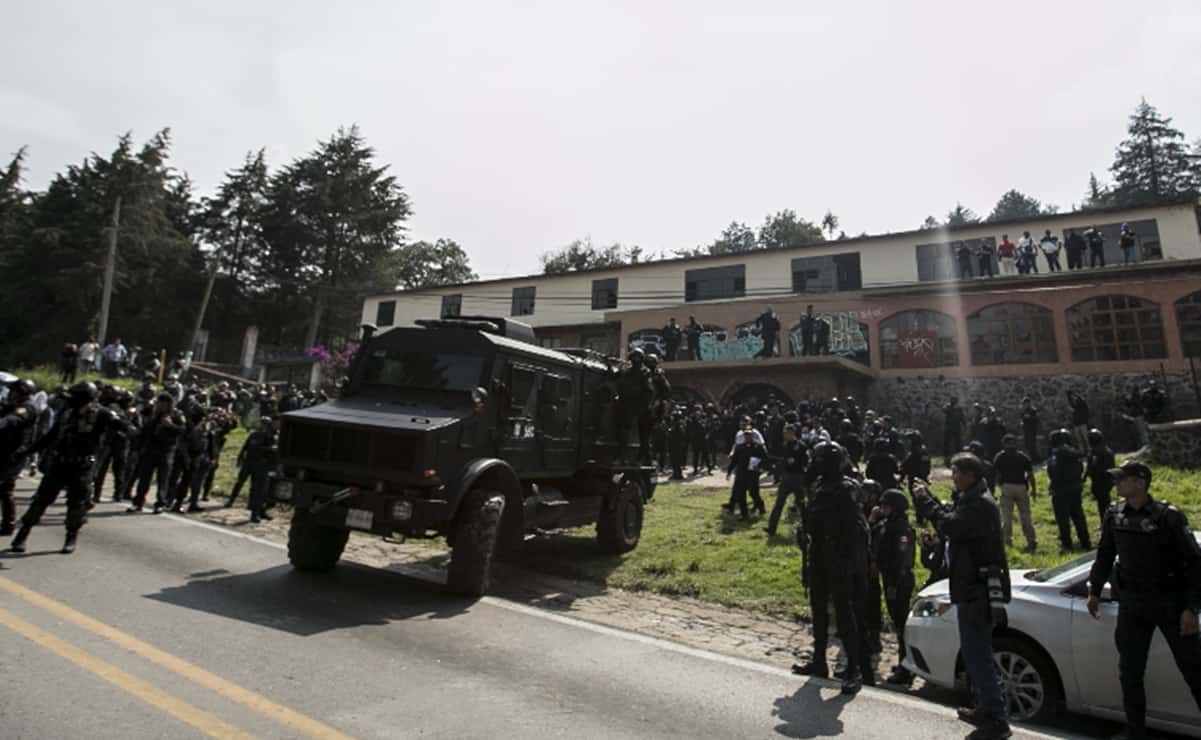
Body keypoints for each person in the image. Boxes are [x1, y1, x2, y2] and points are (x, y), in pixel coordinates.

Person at [1087, 460, 1201, 740]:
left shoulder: (1168, 516)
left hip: (1169, 603)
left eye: (1122, 479)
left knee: (1194, 671)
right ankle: (1135, 732)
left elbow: (1195, 563)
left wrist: (1192, 608)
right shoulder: (1114, 514)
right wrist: (1094, 590)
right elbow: (1105, 553)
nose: (1117, 484)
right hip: (1133, 604)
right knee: (1130, 672)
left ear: (1140, 483)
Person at [914, 455, 1011, 740]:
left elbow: (951, 525)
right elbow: (952, 517)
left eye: (955, 472)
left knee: (978, 654)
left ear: (969, 474)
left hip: (977, 590)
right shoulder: (971, 498)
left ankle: (997, 719)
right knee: (973, 653)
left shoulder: (980, 504)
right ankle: (985, 706)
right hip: (968, 586)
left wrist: (925, 501)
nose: (952, 476)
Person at [793, 441, 874, 695]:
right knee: (818, 609)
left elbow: (851, 529)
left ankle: (853, 669)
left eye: (816, 461)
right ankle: (819, 661)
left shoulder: (845, 489)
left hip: (841, 558)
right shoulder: (820, 487)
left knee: (844, 613)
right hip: (819, 556)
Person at [9, 382, 128, 554]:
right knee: (41, 500)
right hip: (60, 463)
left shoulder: (101, 413)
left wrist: (123, 428)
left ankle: (71, 537)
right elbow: (50, 436)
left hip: (82, 466)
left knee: (76, 505)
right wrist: (28, 451)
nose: (69, 400)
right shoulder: (67, 413)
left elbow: (125, 427)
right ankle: (22, 536)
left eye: (74, 397)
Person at [876, 489, 917, 686]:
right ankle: (904, 662)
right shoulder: (888, 525)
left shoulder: (901, 529)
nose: (882, 509)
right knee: (897, 622)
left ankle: (906, 667)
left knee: (902, 625)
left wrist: (894, 583)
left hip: (898, 580)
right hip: (890, 578)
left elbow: (902, 559)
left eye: (886, 506)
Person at [127, 393, 186, 513]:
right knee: (144, 478)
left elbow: (182, 431)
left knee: (162, 479)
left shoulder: (176, 415)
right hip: (150, 449)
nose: (161, 405)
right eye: (159, 402)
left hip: (166, 451)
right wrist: (139, 447)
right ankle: (138, 502)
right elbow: (145, 431)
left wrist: (171, 426)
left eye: (164, 403)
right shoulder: (154, 414)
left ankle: (160, 503)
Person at [0, 379, 40, 535]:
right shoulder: (13, 406)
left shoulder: (27, 408)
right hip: (7, 453)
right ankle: (8, 525)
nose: (10, 394)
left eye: (13, 391)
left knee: (5, 488)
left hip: (14, 454)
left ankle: (8, 524)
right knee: (5, 490)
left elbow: (11, 421)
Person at [1047, 428, 1090, 552]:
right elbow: (1080, 467)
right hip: (1075, 487)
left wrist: (1053, 486)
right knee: (1078, 515)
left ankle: (1067, 544)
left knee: (1062, 519)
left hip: (1061, 489)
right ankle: (1085, 541)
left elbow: (1055, 472)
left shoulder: (1057, 454)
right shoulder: (1072, 451)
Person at [993, 434, 1037, 552]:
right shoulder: (1022, 456)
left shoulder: (1000, 456)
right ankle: (1031, 540)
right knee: (1026, 516)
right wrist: (1033, 489)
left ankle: (1007, 541)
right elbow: (1030, 474)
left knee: (1006, 517)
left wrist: (999, 485)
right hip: (1021, 487)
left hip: (1006, 487)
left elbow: (996, 474)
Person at [766, 424, 807, 537]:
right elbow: (783, 460)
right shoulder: (785, 445)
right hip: (786, 478)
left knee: (801, 505)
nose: (784, 435)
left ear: (791, 433)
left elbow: (805, 462)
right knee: (779, 503)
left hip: (797, 477)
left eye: (786, 433)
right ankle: (771, 528)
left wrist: (795, 462)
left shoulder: (801, 446)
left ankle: (807, 527)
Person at [724, 419, 767, 520]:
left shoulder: (757, 447)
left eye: (749, 435)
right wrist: (729, 472)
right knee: (740, 493)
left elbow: (765, 459)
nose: (747, 437)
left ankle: (761, 507)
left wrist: (762, 468)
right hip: (741, 473)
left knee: (754, 493)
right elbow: (734, 460)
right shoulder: (740, 447)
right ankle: (744, 515)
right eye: (746, 435)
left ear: (752, 436)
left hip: (752, 474)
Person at [240, 417, 279, 522]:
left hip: (272, 466)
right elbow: (255, 448)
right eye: (276, 423)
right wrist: (270, 449)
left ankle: (262, 511)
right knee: (260, 491)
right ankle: (255, 514)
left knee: (269, 493)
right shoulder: (262, 434)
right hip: (261, 465)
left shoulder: (277, 434)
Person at [1082, 428, 1115, 525]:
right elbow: (1089, 466)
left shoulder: (1102, 451)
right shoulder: (1097, 451)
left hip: (1103, 481)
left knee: (1104, 504)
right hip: (1099, 481)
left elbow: (1092, 466)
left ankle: (1107, 523)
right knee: (1102, 504)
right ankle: (1105, 522)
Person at [942, 397, 965, 464]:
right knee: (947, 443)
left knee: (958, 443)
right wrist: (949, 406)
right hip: (948, 428)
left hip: (956, 429)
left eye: (954, 400)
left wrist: (964, 423)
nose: (953, 401)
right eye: (952, 400)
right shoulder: (948, 407)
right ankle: (946, 457)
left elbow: (962, 417)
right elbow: (944, 410)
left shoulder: (959, 409)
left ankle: (959, 457)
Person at [1019, 397, 1040, 462]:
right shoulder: (1023, 411)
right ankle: (1031, 459)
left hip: (1031, 430)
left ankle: (1036, 459)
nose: (1025, 405)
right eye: (1024, 403)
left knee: (1032, 445)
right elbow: (1022, 419)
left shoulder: (1033, 410)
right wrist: (1022, 422)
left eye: (1026, 403)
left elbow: (1036, 419)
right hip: (1026, 430)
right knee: (1027, 445)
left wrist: (1030, 417)